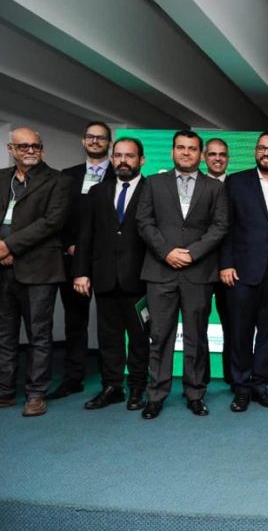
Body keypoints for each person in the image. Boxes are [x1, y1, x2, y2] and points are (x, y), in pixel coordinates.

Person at [136, 130, 229, 419]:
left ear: (201, 154)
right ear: (172, 152)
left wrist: (192, 253)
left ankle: (195, 393)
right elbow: (144, 222)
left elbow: (220, 225)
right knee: (160, 335)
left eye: (191, 148)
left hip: (198, 272)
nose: (186, 152)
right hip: (161, 270)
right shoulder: (153, 183)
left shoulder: (214, 187)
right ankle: (156, 395)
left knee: (196, 337)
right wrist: (167, 252)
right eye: (180, 148)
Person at [219, 132, 268, 412]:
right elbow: (225, 226)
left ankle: (260, 384)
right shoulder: (236, 182)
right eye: (262, 148)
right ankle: (240, 387)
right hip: (241, 272)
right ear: (255, 151)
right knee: (240, 332)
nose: (267, 153)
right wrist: (225, 263)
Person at [72, 138, 150, 410]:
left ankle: (138, 387)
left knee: (140, 338)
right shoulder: (97, 192)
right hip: (104, 277)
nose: (123, 161)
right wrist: (81, 273)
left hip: (141, 280)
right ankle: (112, 386)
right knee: (108, 338)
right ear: (112, 159)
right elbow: (86, 236)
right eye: (118, 155)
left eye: (129, 156)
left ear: (142, 160)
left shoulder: (153, 189)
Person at [0, 128, 70, 417]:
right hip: (2, 268)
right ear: (10, 148)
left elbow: (51, 222)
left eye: (36, 146)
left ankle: (35, 394)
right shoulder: (1, 178)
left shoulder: (58, 180)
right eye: (24, 146)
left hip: (39, 267)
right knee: (4, 334)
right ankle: (4, 391)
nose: (30, 150)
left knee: (39, 334)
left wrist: (8, 246)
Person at [48, 121, 114, 400]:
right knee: (76, 321)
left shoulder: (124, 173)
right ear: (83, 141)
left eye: (101, 138)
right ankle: (73, 377)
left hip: (110, 260)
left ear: (109, 142)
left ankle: (112, 379)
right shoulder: (66, 177)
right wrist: (71, 245)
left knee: (111, 321)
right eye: (91, 137)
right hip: (74, 259)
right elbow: (56, 217)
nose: (95, 141)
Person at [203, 137, 232, 387]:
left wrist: (227, 263)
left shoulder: (237, 186)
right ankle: (200, 379)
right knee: (197, 326)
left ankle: (233, 377)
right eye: (212, 154)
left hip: (230, 269)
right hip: (198, 267)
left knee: (232, 326)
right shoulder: (193, 186)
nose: (217, 158)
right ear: (204, 157)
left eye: (222, 154)